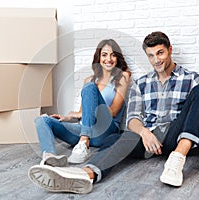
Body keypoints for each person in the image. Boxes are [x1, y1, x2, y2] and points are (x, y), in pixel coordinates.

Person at [28, 31, 199, 194]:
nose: (156, 60)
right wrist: (144, 133)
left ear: (170, 50)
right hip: (148, 139)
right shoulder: (142, 83)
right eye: (151, 55)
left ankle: (176, 160)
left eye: (160, 53)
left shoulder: (190, 78)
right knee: (117, 139)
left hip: (175, 134)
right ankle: (85, 175)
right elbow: (133, 119)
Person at [30, 39, 131, 168]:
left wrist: (96, 111)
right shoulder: (89, 80)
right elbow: (82, 113)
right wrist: (67, 117)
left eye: (113, 55)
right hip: (85, 128)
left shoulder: (123, 76)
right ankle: (49, 156)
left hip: (105, 130)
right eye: (104, 55)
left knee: (89, 87)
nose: (109, 59)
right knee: (42, 120)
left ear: (117, 58)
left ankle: (84, 142)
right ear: (99, 58)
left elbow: (114, 111)